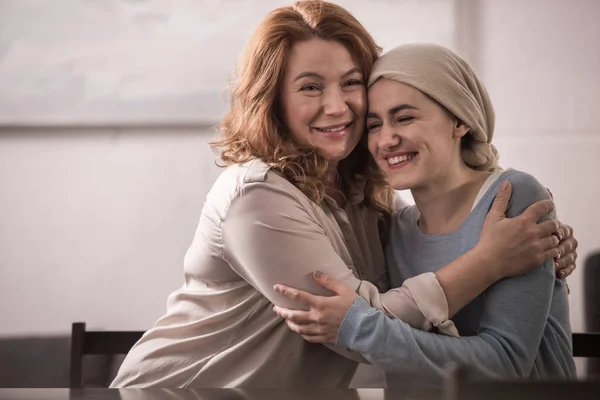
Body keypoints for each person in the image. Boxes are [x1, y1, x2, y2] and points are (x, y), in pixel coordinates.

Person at [111, 1, 578, 388]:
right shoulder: (257, 196)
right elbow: (355, 327)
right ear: (273, 98)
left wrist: (545, 252)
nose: (338, 107)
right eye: (311, 87)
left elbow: (399, 313)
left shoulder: (369, 201)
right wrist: (489, 261)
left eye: (351, 83)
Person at [272, 43, 577, 387]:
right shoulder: (394, 227)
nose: (386, 140)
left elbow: (506, 363)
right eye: (374, 125)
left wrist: (360, 327)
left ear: (460, 119)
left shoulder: (511, 198)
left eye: (405, 118)